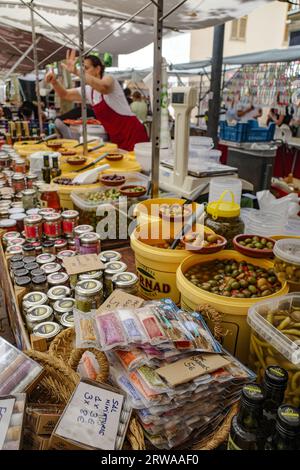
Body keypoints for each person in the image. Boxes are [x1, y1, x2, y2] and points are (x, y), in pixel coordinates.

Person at [45, 51, 149, 151]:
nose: (83, 71)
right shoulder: (88, 90)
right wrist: (54, 82)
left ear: (97, 69)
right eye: (82, 69)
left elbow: (103, 87)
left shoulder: (109, 79)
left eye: (86, 68)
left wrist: (76, 71)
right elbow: (65, 94)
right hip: (117, 139)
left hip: (133, 134)